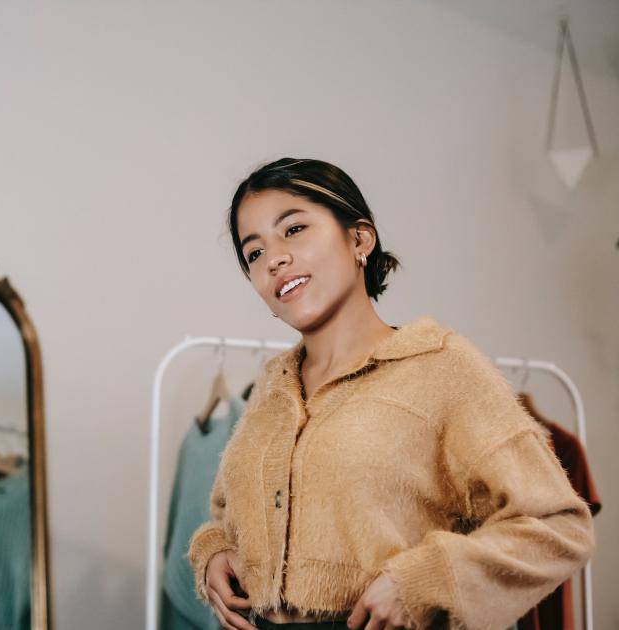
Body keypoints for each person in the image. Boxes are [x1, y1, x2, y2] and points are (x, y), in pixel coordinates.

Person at [187, 158, 595, 630]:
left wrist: (424, 582)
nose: (274, 259)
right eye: (254, 253)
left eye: (294, 229)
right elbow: (228, 515)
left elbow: (558, 525)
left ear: (360, 239)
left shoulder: (441, 368)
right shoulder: (271, 388)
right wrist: (214, 551)